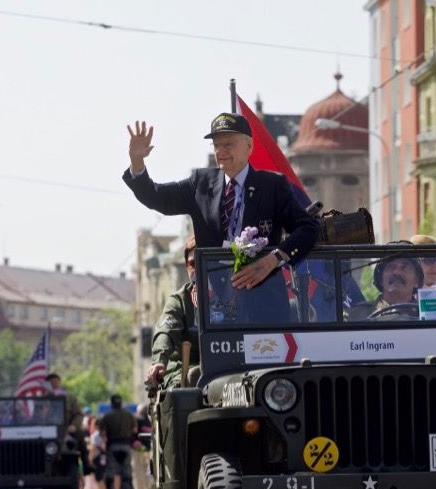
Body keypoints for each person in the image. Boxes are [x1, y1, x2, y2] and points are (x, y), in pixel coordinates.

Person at [123, 114, 318, 293]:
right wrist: (137, 161)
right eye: (216, 145)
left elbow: (308, 228)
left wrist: (275, 258)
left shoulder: (272, 185)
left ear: (249, 146)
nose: (221, 151)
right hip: (215, 304)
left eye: (228, 144)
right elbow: (156, 197)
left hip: (264, 299)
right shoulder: (200, 183)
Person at [147, 237, 200, 391]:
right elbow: (165, 332)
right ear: (186, 267)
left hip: (224, 367)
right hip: (184, 368)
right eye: (193, 264)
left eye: (205, 262)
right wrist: (160, 361)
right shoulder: (179, 300)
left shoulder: (231, 297)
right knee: (185, 385)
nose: (198, 269)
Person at [99, 395, 138, 489]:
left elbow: (102, 433)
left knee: (110, 475)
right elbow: (135, 430)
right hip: (126, 446)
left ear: (111, 404)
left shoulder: (106, 416)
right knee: (127, 475)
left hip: (113, 447)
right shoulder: (129, 415)